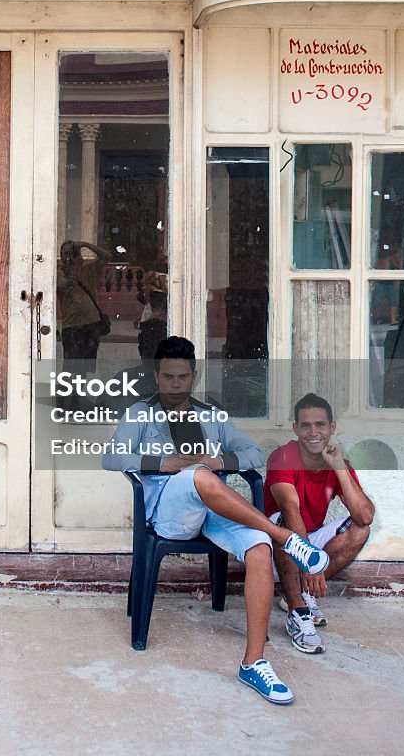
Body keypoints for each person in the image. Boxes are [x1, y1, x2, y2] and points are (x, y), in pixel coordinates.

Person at [103, 336, 330, 705]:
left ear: (194, 375)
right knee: (198, 477)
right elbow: (112, 458)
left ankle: (253, 662)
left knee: (257, 549)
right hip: (169, 512)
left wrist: (220, 462)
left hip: (213, 510)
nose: (175, 384)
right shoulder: (139, 414)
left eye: (182, 377)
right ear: (156, 377)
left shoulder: (212, 415)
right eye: (167, 377)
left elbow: (254, 451)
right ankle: (284, 536)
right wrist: (167, 464)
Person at [264, 393, 374, 655]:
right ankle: (298, 612)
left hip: (308, 539)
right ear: (296, 429)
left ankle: (303, 593)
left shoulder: (337, 464)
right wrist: (310, 560)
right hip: (271, 549)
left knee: (360, 528)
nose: (314, 432)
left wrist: (338, 467)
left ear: (332, 427)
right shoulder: (282, 457)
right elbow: (290, 511)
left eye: (320, 425)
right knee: (284, 527)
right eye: (306, 425)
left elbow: (365, 516)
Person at [56, 239, 112, 364]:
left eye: (73, 253)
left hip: (91, 323)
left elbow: (107, 257)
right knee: (71, 367)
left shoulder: (88, 270)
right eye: (65, 254)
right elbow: (64, 286)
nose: (69, 257)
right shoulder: (60, 273)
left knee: (85, 367)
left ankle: (81, 384)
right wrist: (72, 268)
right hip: (72, 325)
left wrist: (86, 245)